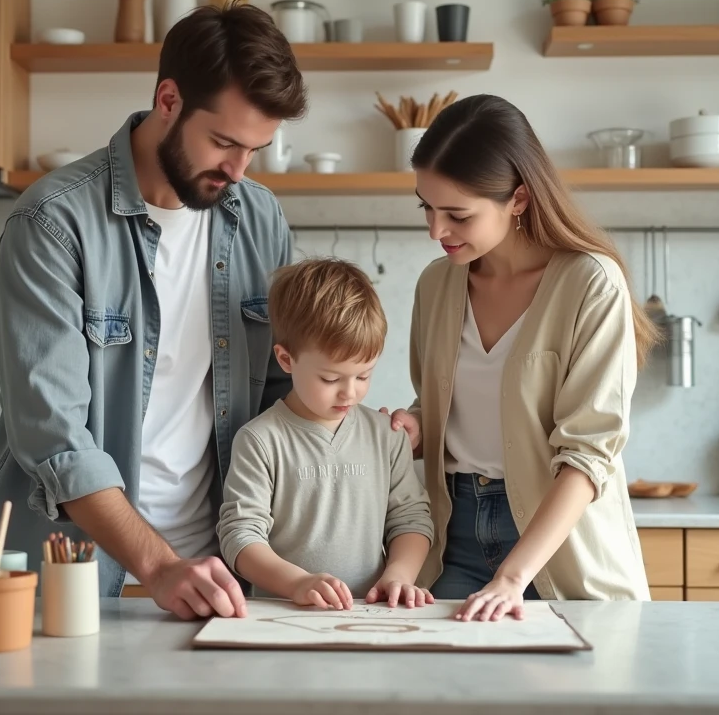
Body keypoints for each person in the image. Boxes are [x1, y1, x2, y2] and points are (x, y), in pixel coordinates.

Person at [0, 2, 309, 621]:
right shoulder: (53, 222)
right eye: (224, 142)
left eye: (255, 150)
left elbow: (286, 396)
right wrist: (156, 565)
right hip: (74, 573)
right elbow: (53, 437)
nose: (238, 171)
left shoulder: (261, 218)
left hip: (220, 580)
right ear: (169, 100)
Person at [384, 94, 657, 623]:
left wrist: (512, 577)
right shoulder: (437, 284)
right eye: (426, 206)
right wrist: (415, 427)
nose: (435, 231)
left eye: (457, 214)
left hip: (559, 551)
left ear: (519, 199)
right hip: (452, 541)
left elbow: (588, 453)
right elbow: (442, 401)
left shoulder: (590, 282)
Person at [217, 257, 435, 610]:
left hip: (372, 617)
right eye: (331, 379)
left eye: (363, 375)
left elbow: (411, 519)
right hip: (283, 621)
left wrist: (399, 575)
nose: (350, 393)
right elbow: (240, 536)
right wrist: (297, 583)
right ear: (286, 360)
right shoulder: (260, 441)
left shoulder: (387, 435)